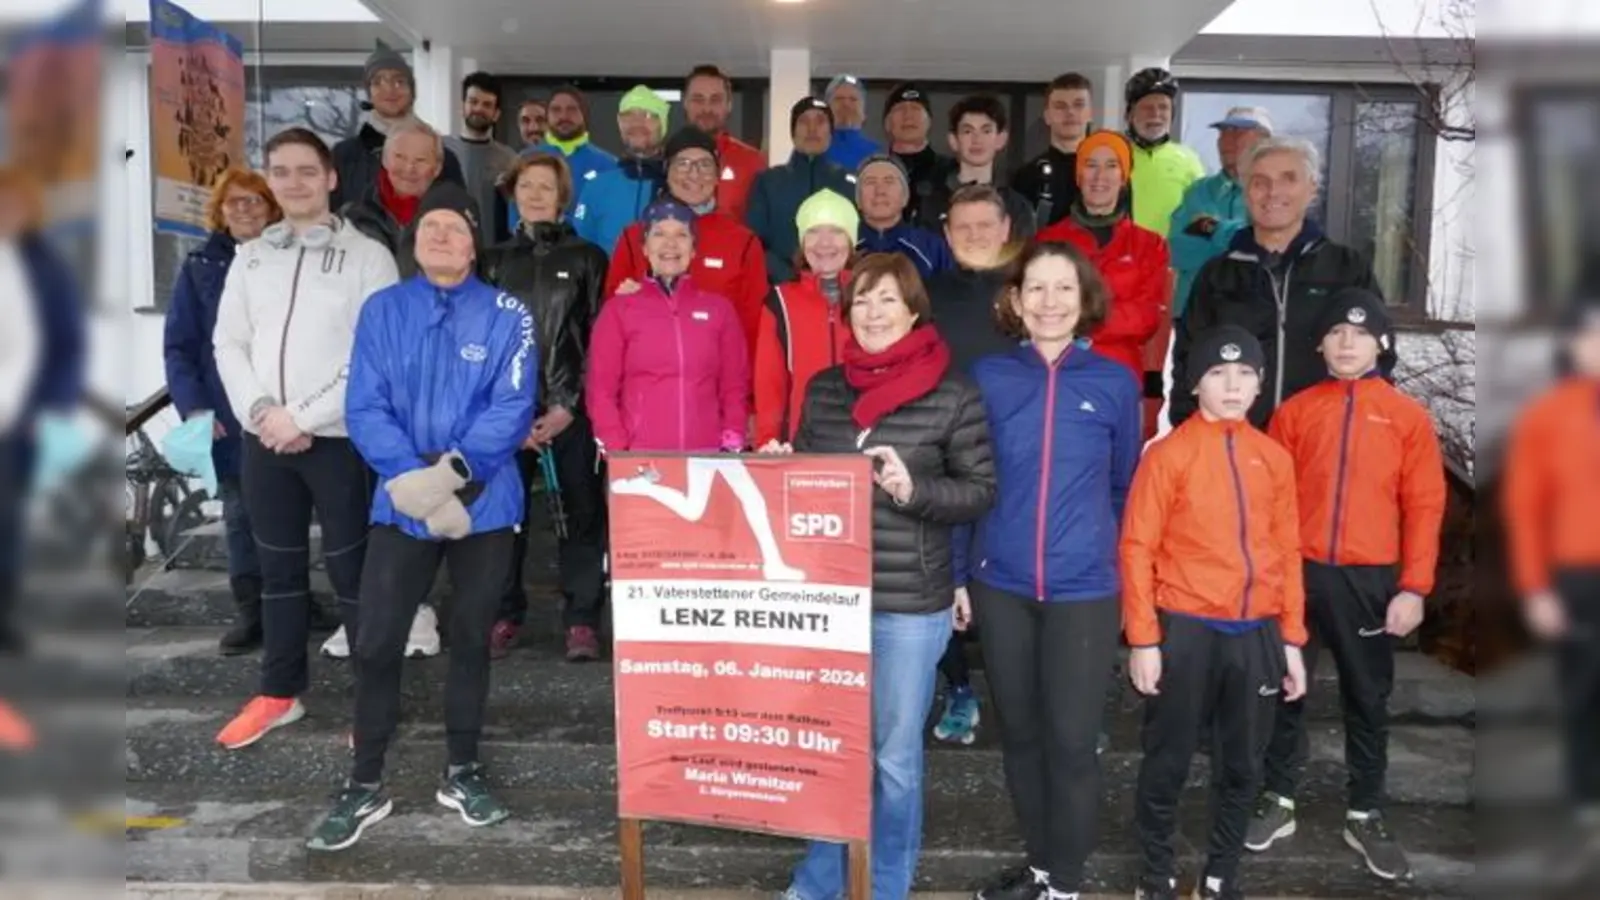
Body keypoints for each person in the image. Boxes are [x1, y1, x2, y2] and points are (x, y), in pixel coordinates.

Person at [307, 181, 537, 852]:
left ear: (474, 245)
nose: (441, 236)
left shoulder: (507, 313)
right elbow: (364, 405)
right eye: (430, 226)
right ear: (416, 240)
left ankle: (462, 771)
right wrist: (409, 477)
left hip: (483, 504)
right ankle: (364, 781)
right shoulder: (383, 310)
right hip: (400, 502)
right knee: (377, 640)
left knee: (470, 639)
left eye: (455, 228)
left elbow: (513, 405)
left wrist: (450, 476)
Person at [769, 251, 996, 900]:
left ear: (914, 310)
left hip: (907, 607)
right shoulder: (825, 389)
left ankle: (885, 886)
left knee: (894, 760)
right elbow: (806, 488)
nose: (872, 312)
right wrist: (783, 468)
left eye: (887, 300)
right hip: (831, 601)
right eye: (862, 300)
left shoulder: (953, 390)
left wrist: (913, 489)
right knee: (832, 752)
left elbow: (980, 491)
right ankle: (818, 882)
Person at [963, 242, 1142, 900]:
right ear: (1014, 300)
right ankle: (1040, 867)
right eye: (1034, 288)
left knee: (1071, 742)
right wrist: (961, 573)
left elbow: (1126, 489)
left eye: (1062, 288)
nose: (1048, 302)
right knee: (1022, 737)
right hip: (1000, 583)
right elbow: (968, 479)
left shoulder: (1116, 382)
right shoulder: (988, 376)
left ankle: (1065, 883)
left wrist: (1120, 577)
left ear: (1084, 298)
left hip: (1084, 591)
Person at [1248, 288, 1447, 882]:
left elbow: (1427, 505)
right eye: (1336, 332)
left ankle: (1365, 810)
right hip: (1298, 573)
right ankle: (1277, 798)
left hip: (1370, 579)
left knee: (1368, 697)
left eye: (1359, 334)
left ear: (1381, 343)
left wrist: (1414, 586)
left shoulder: (1408, 418)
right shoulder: (1296, 412)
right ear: (1320, 343)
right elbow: (1267, 501)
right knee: (1286, 688)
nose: (1346, 342)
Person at [211, 128, 400, 751]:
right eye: (281, 171)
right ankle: (279, 691)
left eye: (306, 171)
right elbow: (228, 344)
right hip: (263, 439)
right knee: (278, 572)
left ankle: (373, 703)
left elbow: (376, 355)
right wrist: (264, 411)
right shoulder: (251, 257)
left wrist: (305, 417)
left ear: (331, 178)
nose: (293, 182)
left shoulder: (369, 256)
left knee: (354, 575)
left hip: (339, 439)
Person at [1121, 325, 1309, 900]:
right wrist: (1144, 640)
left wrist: (1292, 641)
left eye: (1245, 373)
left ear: (1259, 384)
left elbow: (1286, 550)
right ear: (1197, 383)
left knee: (1242, 767)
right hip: (1186, 630)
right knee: (1168, 760)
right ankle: (1156, 872)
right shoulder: (1169, 455)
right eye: (1218, 373)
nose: (1232, 385)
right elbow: (1137, 547)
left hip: (1255, 634)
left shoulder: (1273, 458)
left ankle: (1222, 873)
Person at [482, 152, 611, 662]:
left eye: (547, 187)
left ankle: (582, 620)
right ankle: (503, 613)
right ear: (513, 192)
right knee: (503, 517)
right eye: (527, 185)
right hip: (506, 415)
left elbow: (601, 339)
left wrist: (569, 405)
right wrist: (508, 416)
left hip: (568, 410)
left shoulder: (587, 258)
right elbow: (483, 342)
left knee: (580, 514)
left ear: (563, 197)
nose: (536, 194)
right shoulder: (493, 261)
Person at [1170, 137, 1385, 430]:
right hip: (1237, 451)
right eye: (1260, 182)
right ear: (1246, 193)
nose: (1273, 192)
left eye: (1288, 179)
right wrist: (1189, 437)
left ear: (1312, 189)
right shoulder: (1217, 276)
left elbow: (1380, 360)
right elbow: (1188, 363)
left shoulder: (1347, 270)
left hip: (1322, 448)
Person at [164, 167, 281, 654]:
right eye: (235, 202)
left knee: (287, 516)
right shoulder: (199, 266)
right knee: (240, 517)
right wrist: (194, 408)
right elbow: (180, 347)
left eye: (254, 200)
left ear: (272, 207)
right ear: (220, 209)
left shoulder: (288, 257)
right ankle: (252, 611)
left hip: (289, 412)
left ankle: (291, 603)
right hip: (228, 419)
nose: (245, 210)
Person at [1501, 294, 1600, 862]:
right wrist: (1535, 586)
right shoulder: (1548, 415)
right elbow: (1524, 507)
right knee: (1581, 697)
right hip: (1576, 579)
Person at [923, 185, 1022, 747]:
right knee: (939, 576)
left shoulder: (1029, 291)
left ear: (1005, 229)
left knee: (1010, 579)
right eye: (963, 227)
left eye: (985, 225)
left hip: (1018, 454)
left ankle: (1026, 697)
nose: (975, 236)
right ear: (947, 234)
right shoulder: (929, 294)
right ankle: (959, 688)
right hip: (944, 454)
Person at [0, 165, 84, 750]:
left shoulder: (42, 265)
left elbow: (58, 344)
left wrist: (46, 409)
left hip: (16, 421)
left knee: (8, 527)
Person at [1034, 131, 1170, 439]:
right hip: (1059, 376)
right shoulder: (1048, 240)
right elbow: (1039, 309)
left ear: (1124, 176)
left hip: (1120, 380)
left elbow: (1146, 317)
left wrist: (1075, 318)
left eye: (1111, 165)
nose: (1100, 176)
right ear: (1078, 175)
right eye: (1091, 165)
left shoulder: (1149, 245)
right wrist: (1112, 314)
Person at [587, 198, 750, 455]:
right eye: (659, 233)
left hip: (705, 458)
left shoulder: (719, 310)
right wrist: (617, 449)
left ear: (694, 249)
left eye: (681, 235)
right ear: (644, 247)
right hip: (640, 460)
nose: (670, 244)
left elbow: (734, 385)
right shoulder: (619, 311)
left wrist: (732, 437)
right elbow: (601, 391)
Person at [605, 128, 769, 360]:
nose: (694, 173)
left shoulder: (742, 242)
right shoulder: (635, 237)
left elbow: (753, 327)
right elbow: (612, 323)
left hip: (717, 382)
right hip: (647, 380)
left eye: (704, 164)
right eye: (683, 163)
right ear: (667, 171)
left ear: (717, 174)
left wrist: (744, 392)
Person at [752, 188, 857, 447]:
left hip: (864, 445)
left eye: (836, 231)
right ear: (801, 241)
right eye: (813, 232)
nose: (824, 243)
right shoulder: (780, 302)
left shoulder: (872, 295)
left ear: (852, 240)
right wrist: (768, 440)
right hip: (800, 446)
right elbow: (769, 382)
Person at [329, 43, 463, 210]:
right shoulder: (344, 156)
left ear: (412, 91)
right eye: (378, 82)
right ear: (369, 93)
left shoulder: (441, 156)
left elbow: (459, 218)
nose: (389, 89)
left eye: (399, 81)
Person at [1167, 107, 1273, 320]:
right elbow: (1176, 250)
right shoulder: (1199, 191)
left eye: (1238, 133)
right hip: (1194, 316)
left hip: (1252, 318)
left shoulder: (1274, 194)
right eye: (1223, 133)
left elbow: (1264, 247)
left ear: (1263, 144)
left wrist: (1212, 228)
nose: (1227, 140)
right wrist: (1236, 241)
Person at [747, 97, 856, 284]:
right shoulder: (768, 181)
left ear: (830, 132)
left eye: (820, 121)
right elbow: (753, 242)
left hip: (840, 290)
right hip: (780, 288)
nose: (812, 129)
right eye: (804, 121)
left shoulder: (849, 183)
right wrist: (788, 277)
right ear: (793, 131)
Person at [919, 94, 1035, 241]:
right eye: (968, 131)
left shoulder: (1017, 206)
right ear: (953, 140)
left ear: (1001, 139)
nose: (977, 140)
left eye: (986, 131)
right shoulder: (932, 202)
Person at [572, 85, 670, 256]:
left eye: (648, 115)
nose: (637, 123)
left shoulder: (678, 185)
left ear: (662, 125)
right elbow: (580, 252)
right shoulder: (597, 187)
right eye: (628, 116)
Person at [342, 120, 446, 277]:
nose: (409, 168)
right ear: (384, 159)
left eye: (420, 160)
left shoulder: (453, 222)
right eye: (400, 157)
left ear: (437, 169)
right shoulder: (352, 218)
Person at [1122, 68, 1204, 238]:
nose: (1156, 114)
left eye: (1163, 107)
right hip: (1122, 257)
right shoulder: (1114, 154)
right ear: (1130, 114)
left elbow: (1200, 214)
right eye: (1147, 107)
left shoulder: (1189, 159)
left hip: (1171, 259)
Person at [517, 85, 618, 221]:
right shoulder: (525, 160)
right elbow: (515, 217)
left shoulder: (609, 165)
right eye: (556, 110)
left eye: (572, 109)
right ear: (547, 116)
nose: (564, 116)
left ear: (584, 115)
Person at [444, 71, 518, 247]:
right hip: (447, 246)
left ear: (496, 114)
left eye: (487, 104)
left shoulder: (509, 158)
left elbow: (518, 208)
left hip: (492, 251)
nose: (478, 109)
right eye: (473, 101)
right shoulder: (440, 149)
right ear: (463, 106)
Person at [683, 64, 766, 221]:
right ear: (685, 103)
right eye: (698, 99)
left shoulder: (752, 162)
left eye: (715, 100)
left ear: (729, 105)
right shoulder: (667, 160)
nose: (706, 109)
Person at [1012, 73, 1094, 229]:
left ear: (1091, 113)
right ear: (1047, 116)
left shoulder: (1108, 175)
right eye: (1060, 106)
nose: (1070, 112)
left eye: (1078, 104)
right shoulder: (1026, 176)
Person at [855, 154, 954, 282]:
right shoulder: (842, 245)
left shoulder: (931, 246)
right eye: (870, 182)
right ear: (858, 199)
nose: (880, 191)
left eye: (889, 181)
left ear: (905, 197)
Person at [882, 82, 950, 229]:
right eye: (900, 109)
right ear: (887, 123)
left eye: (915, 108)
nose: (908, 116)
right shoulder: (874, 173)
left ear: (929, 121)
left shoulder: (950, 171)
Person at [823, 74, 880, 171]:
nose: (846, 104)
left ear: (864, 113)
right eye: (839, 99)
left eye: (853, 99)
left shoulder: (878, 154)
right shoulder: (814, 149)